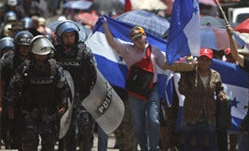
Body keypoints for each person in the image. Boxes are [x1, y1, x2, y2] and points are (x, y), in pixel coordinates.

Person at [102, 22, 165, 151]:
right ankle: (143, 148)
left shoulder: (154, 50)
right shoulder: (128, 50)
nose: (138, 40)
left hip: (152, 89)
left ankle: (154, 147)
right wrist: (105, 26)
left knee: (154, 121)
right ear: (132, 41)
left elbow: (165, 65)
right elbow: (112, 43)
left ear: (145, 36)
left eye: (140, 37)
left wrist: (180, 62)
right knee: (138, 126)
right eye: (135, 39)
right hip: (135, 93)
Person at [6, 35, 69, 150]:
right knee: (29, 141)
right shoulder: (25, 68)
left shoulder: (55, 68)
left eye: (43, 54)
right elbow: (13, 87)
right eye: (38, 54)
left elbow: (63, 88)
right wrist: (11, 105)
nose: (41, 57)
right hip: (29, 110)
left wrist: (63, 105)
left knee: (49, 142)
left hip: (49, 111)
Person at [54, 20, 97, 151]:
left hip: (82, 96)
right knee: (66, 132)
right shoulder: (55, 54)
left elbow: (94, 77)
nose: (69, 39)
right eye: (66, 36)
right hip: (63, 98)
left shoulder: (84, 53)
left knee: (85, 128)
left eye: (71, 35)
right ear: (61, 38)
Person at [178, 48, 227, 151]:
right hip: (191, 115)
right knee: (188, 145)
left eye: (207, 60)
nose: (204, 62)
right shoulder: (190, 73)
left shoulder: (216, 75)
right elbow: (182, 91)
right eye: (202, 59)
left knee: (209, 145)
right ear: (198, 60)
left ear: (211, 61)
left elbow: (219, 89)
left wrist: (221, 94)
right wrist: (183, 75)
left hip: (209, 117)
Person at [0, 31, 33, 149]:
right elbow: (2, 83)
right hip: (11, 101)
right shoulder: (9, 60)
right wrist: (1, 103)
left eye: (27, 47)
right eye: (22, 47)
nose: (25, 49)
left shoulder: (36, 59)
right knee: (12, 131)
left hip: (31, 101)